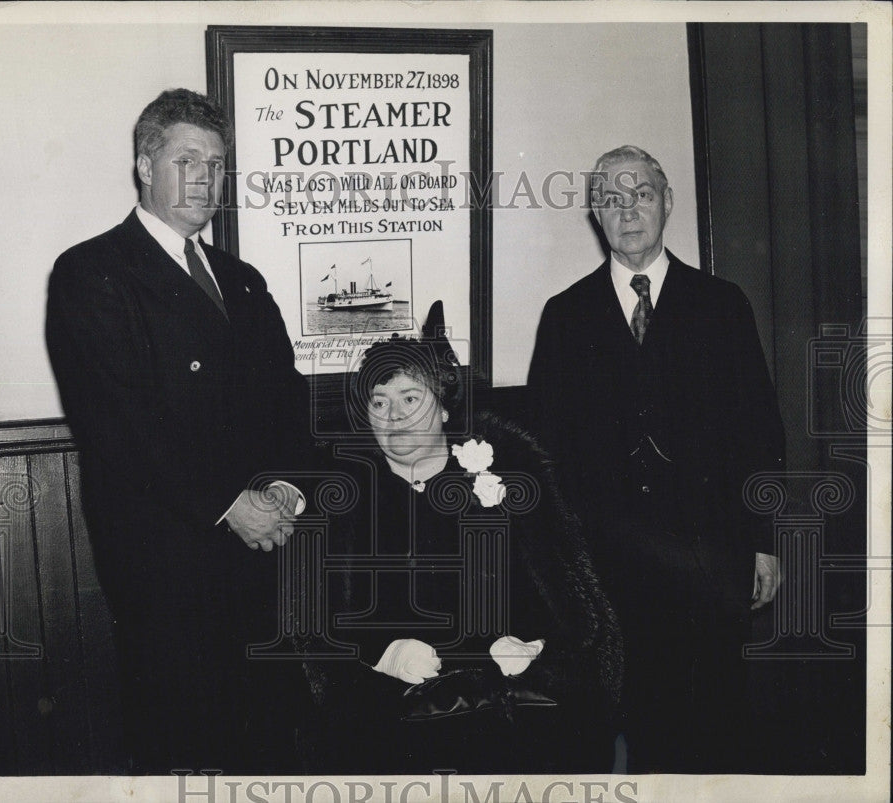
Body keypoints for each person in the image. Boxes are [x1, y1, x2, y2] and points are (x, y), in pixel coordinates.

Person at [46, 89, 311, 773]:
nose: (203, 178)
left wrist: (283, 486)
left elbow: (287, 399)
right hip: (166, 569)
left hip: (261, 559)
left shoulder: (243, 280)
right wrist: (232, 504)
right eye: (185, 159)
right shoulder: (91, 271)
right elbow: (119, 426)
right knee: (187, 755)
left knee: (267, 747)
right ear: (144, 165)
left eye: (216, 164)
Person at [526, 145, 786, 772]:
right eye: (611, 199)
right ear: (596, 215)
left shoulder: (723, 306)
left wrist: (764, 541)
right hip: (612, 570)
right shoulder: (565, 317)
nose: (627, 209)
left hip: (711, 557)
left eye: (639, 193)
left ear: (666, 202)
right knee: (638, 730)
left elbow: (761, 434)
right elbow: (545, 452)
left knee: (716, 730)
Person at [300, 309, 622, 774]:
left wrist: (535, 646)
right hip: (393, 715)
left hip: (505, 705)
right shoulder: (343, 500)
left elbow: (571, 602)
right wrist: (381, 654)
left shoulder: (506, 481)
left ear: (444, 406)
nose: (395, 417)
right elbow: (316, 624)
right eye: (379, 402)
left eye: (411, 398)